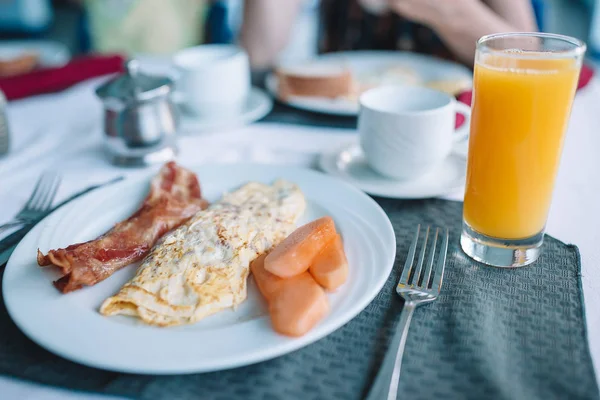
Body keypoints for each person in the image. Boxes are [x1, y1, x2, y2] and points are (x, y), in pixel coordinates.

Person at [240, 0, 538, 68]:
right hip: (334, 127)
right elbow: (257, 53)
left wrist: (448, 10)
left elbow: (533, 57)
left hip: (457, 131)